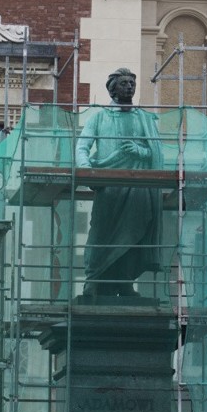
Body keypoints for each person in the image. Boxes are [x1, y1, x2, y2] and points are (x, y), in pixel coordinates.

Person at [75, 67, 164, 301]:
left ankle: (125, 283)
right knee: (100, 234)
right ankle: (92, 281)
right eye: (124, 83)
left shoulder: (144, 118)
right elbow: (82, 147)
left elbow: (156, 152)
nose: (129, 87)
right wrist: (87, 171)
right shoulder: (100, 117)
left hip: (138, 186)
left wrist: (139, 150)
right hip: (109, 186)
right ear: (113, 88)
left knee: (134, 235)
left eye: (132, 84)